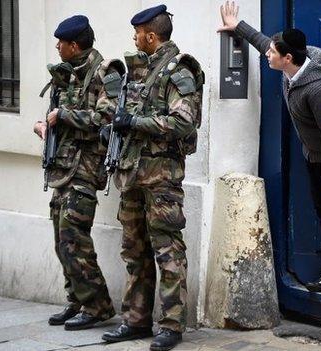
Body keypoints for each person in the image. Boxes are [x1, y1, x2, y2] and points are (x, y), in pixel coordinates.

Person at [218, 1, 321, 300]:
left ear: (287, 58)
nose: (266, 55)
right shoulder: (292, 64)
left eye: (272, 53)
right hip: (316, 159)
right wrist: (238, 27)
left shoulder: (319, 89)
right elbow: (264, 43)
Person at [100, 5, 204, 351]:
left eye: (138, 32)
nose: (134, 38)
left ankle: (171, 325)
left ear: (151, 35)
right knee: (134, 250)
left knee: (168, 251)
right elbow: (124, 114)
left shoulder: (179, 70)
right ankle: (136, 319)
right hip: (132, 175)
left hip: (161, 178)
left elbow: (183, 123)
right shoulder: (139, 71)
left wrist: (135, 123)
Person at [32, 15, 123, 331]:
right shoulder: (66, 75)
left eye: (61, 42)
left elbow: (106, 119)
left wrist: (64, 116)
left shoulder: (106, 73)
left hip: (85, 169)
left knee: (74, 236)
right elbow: (57, 115)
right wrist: (45, 126)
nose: (57, 46)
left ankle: (98, 306)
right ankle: (78, 300)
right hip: (62, 166)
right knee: (61, 239)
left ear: (74, 45)